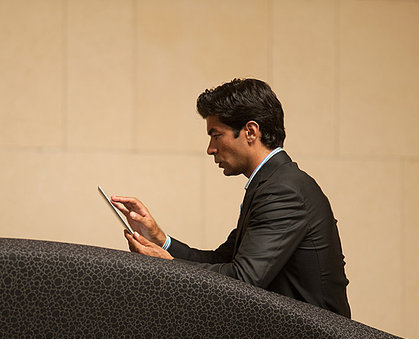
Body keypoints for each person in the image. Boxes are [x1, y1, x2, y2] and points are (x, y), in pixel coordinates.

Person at [111, 78, 351, 318]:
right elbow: (223, 260)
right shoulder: (274, 183)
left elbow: (243, 279)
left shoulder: (283, 190)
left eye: (216, 135)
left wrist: (169, 265)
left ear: (250, 132)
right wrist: (159, 239)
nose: (210, 148)